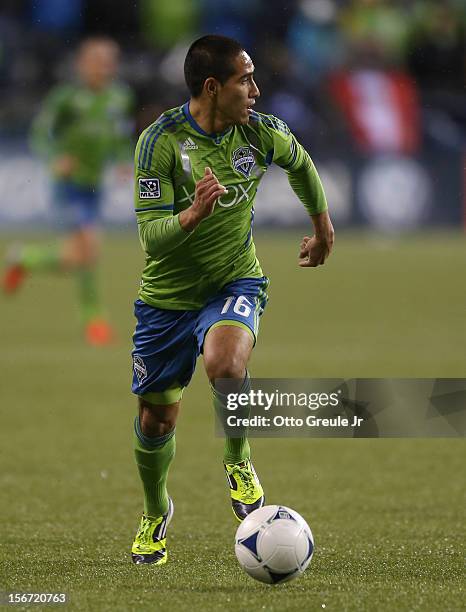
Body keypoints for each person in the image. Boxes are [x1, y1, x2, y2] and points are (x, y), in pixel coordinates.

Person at [130, 34, 334, 565]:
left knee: (225, 364)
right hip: (166, 301)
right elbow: (151, 236)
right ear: (213, 87)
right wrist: (192, 216)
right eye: (246, 80)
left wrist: (323, 227)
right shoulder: (160, 142)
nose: (257, 90)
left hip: (234, 282)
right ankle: (156, 513)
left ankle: (238, 458)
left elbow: (302, 164)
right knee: (157, 421)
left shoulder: (260, 132)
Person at [2, 37, 133, 345]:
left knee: (79, 255)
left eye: (109, 60)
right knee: (88, 248)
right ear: (82, 64)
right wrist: (54, 158)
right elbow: (41, 132)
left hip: (94, 185)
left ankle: (25, 258)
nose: (104, 66)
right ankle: (93, 318)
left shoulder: (119, 98)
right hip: (68, 185)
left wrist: (123, 160)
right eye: (97, 60)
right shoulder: (67, 98)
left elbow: (121, 137)